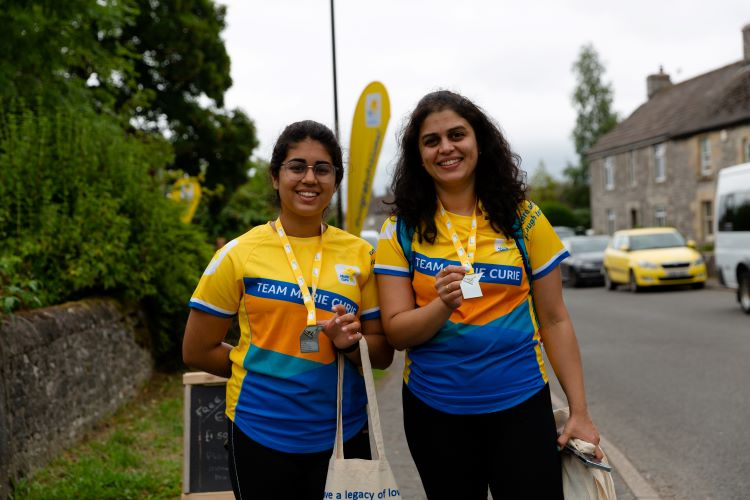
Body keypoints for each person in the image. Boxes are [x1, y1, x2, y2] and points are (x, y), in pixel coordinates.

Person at [374, 90, 600, 499]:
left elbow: (555, 319)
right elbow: (396, 333)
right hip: (435, 410)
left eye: (457, 134)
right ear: (418, 155)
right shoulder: (401, 228)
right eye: (431, 140)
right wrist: (442, 305)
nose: (446, 148)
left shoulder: (522, 217)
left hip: (521, 403)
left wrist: (579, 412)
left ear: (479, 141)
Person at [182, 120, 393, 499]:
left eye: (322, 169)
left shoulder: (362, 255)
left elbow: (381, 354)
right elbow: (196, 349)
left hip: (343, 435)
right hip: (258, 431)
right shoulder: (238, 254)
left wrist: (349, 345)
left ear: (335, 181)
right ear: (276, 177)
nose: (309, 178)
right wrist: (266, 370)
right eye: (297, 166)